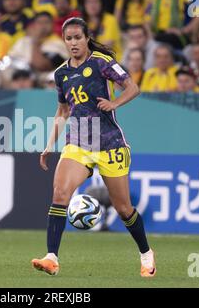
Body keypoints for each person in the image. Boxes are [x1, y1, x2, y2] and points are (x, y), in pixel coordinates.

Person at [31, 17, 156, 278]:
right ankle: (52, 258)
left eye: (78, 37)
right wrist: (48, 144)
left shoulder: (101, 62)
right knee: (60, 193)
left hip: (109, 143)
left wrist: (115, 103)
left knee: (123, 209)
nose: (73, 43)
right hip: (77, 142)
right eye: (68, 38)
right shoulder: (61, 73)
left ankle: (146, 254)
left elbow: (132, 87)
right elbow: (63, 110)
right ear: (64, 41)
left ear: (87, 38)